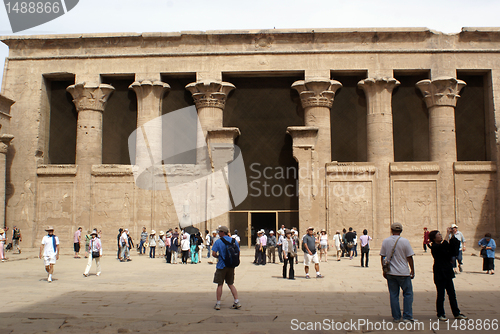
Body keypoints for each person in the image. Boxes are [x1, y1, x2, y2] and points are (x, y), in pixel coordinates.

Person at [428, 228, 468, 321]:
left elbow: (453, 248)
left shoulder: (443, 246)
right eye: (438, 234)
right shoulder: (434, 247)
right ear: (434, 238)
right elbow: (443, 246)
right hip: (439, 272)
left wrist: (452, 235)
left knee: (452, 294)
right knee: (441, 295)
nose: (440, 235)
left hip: (447, 271)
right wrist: (447, 234)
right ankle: (440, 314)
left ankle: (456, 313)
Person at [380, 222, 415, 322]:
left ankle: (396, 317)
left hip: (390, 272)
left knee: (393, 295)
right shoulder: (405, 241)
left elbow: (382, 256)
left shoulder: (386, 241)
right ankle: (407, 316)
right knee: (408, 294)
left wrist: (383, 269)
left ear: (391, 230)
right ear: (401, 230)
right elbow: (409, 257)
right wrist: (412, 270)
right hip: (403, 272)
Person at [211, 225, 241, 310]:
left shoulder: (218, 241)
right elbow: (238, 252)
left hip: (221, 265)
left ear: (222, 232)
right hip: (231, 265)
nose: (218, 233)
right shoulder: (234, 241)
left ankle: (218, 303)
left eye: (219, 232)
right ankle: (236, 301)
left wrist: (218, 257)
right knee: (231, 284)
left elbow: (213, 253)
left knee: (220, 284)